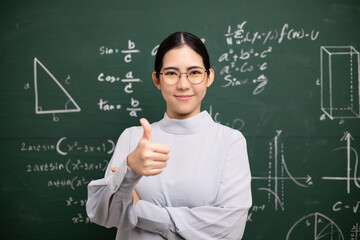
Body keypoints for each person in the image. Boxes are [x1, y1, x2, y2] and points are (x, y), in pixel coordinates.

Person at [86, 32, 252, 240]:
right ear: (157, 79)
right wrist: (130, 170)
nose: (183, 84)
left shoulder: (230, 141)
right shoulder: (132, 138)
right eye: (172, 73)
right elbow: (103, 215)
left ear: (209, 77)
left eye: (194, 72)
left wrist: (138, 209)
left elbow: (228, 230)